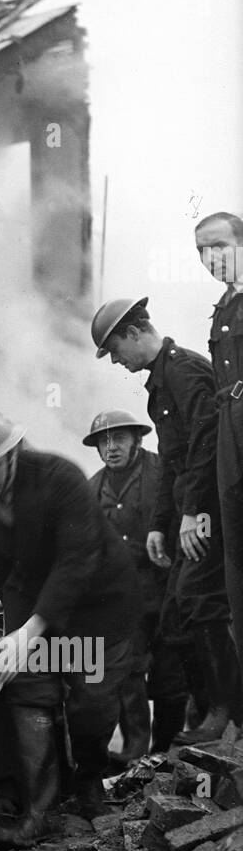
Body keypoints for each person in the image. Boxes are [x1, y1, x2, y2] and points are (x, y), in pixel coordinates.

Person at [0, 412, 140, 845]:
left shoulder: (60, 478)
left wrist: (32, 629)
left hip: (98, 607)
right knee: (23, 688)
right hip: (32, 602)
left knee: (90, 702)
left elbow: (77, 560)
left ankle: (89, 782)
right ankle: (40, 809)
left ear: (13, 455)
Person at [91, 295, 242, 741]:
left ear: (135, 333)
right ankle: (210, 711)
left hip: (210, 511)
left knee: (201, 604)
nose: (117, 361)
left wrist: (194, 512)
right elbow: (172, 464)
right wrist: (160, 522)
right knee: (179, 613)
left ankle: (227, 715)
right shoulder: (161, 381)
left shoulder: (185, 370)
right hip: (188, 512)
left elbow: (206, 446)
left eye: (116, 349)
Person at [83, 409, 190, 757]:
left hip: (168, 588)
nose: (111, 447)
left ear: (137, 440)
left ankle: (167, 750)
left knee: (171, 672)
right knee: (128, 672)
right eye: (104, 441)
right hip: (121, 598)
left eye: (119, 439)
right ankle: (135, 753)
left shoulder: (162, 471)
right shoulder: (92, 487)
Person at [195, 212, 243, 684]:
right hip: (231, 433)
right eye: (202, 251)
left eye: (220, 246)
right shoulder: (223, 310)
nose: (212, 258)